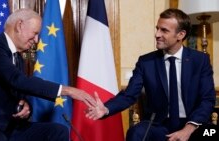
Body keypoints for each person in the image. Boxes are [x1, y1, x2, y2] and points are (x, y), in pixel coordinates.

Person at [86, 8, 216, 141]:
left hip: (193, 124)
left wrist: (189, 128)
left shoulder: (200, 60)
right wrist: (106, 109)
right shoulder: (146, 62)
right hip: (159, 125)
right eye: (157, 28)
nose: (157, 34)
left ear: (180, 35)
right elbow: (129, 95)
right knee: (136, 133)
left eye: (164, 30)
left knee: (213, 133)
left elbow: (208, 99)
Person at [0, 8, 96, 141]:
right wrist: (67, 90)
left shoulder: (18, 58)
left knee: (58, 131)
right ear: (19, 26)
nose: (36, 40)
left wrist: (27, 105)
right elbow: (16, 79)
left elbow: (21, 91)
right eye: (34, 33)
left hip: (8, 125)